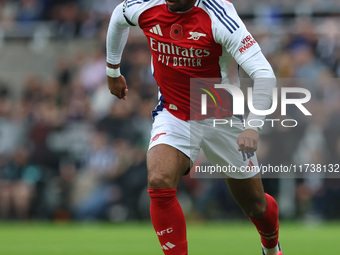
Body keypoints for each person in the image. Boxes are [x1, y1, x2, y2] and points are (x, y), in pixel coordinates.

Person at [106, 0, 282, 254]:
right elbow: (118, 16)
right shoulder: (146, 5)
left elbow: (264, 74)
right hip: (174, 113)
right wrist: (113, 70)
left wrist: (253, 127)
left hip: (221, 115)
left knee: (255, 205)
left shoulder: (220, 17)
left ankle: (272, 248)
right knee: (159, 179)